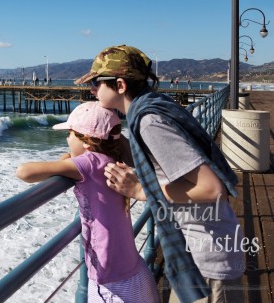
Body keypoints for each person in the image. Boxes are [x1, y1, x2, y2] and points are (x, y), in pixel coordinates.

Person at [75, 45, 244, 303]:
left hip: (206, 261)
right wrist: (110, 143)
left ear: (120, 85)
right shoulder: (155, 107)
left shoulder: (149, 122)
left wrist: (140, 190)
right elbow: (159, 159)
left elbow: (212, 189)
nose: (92, 90)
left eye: (97, 83)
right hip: (205, 249)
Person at [16, 102, 160, 303]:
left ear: (87, 143)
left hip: (111, 284)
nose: (67, 138)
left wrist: (63, 162)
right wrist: (67, 160)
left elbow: (24, 172)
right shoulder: (112, 157)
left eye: (70, 133)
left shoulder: (89, 162)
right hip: (135, 272)